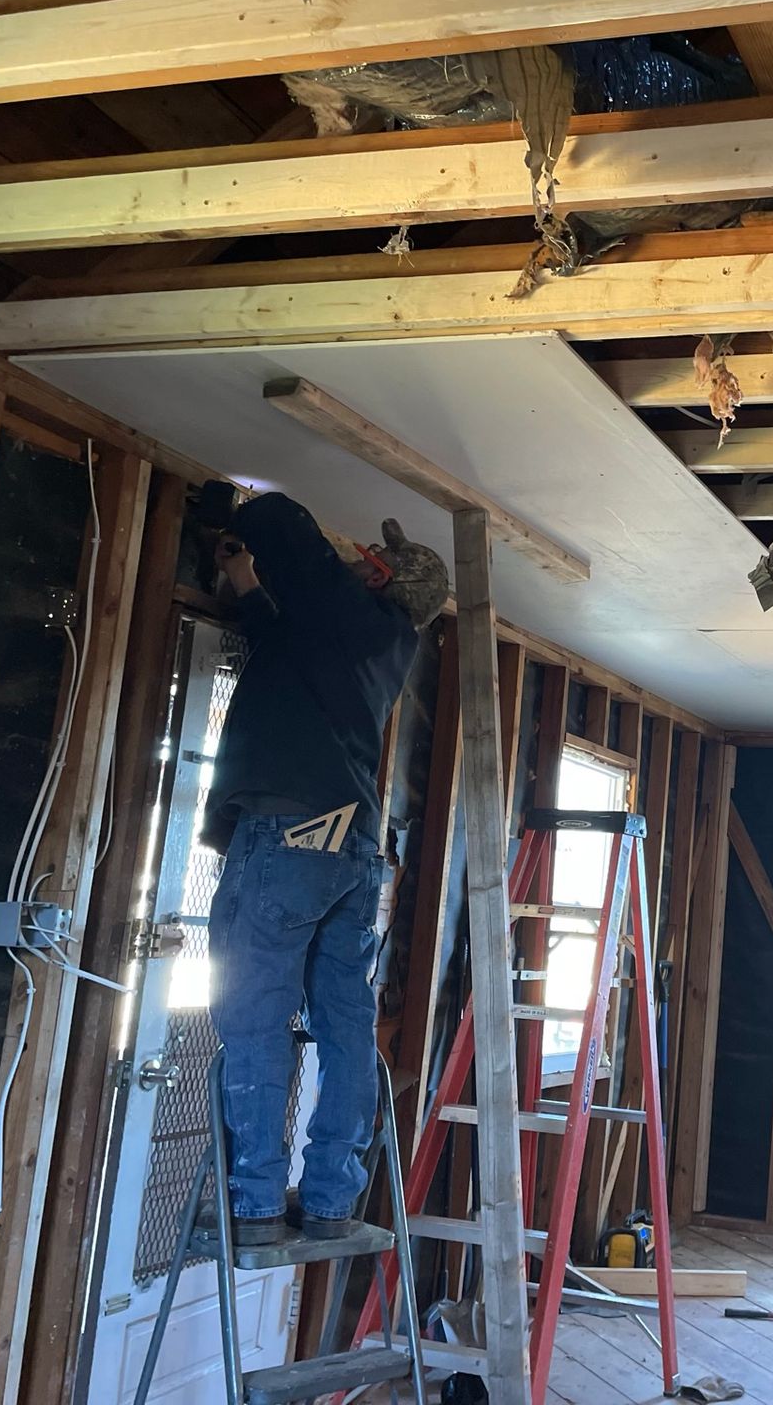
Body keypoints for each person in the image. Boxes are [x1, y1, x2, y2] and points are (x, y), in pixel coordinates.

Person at [197, 488, 448, 1244]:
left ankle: (255, 1204)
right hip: (352, 847)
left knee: (255, 1015)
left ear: (380, 579)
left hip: (293, 833)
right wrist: (245, 581)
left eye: (370, 561)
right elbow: (285, 646)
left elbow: (286, 524)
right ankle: (333, 1201)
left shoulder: (350, 611)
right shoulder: (373, 643)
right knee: (345, 1025)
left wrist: (232, 505)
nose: (358, 564)